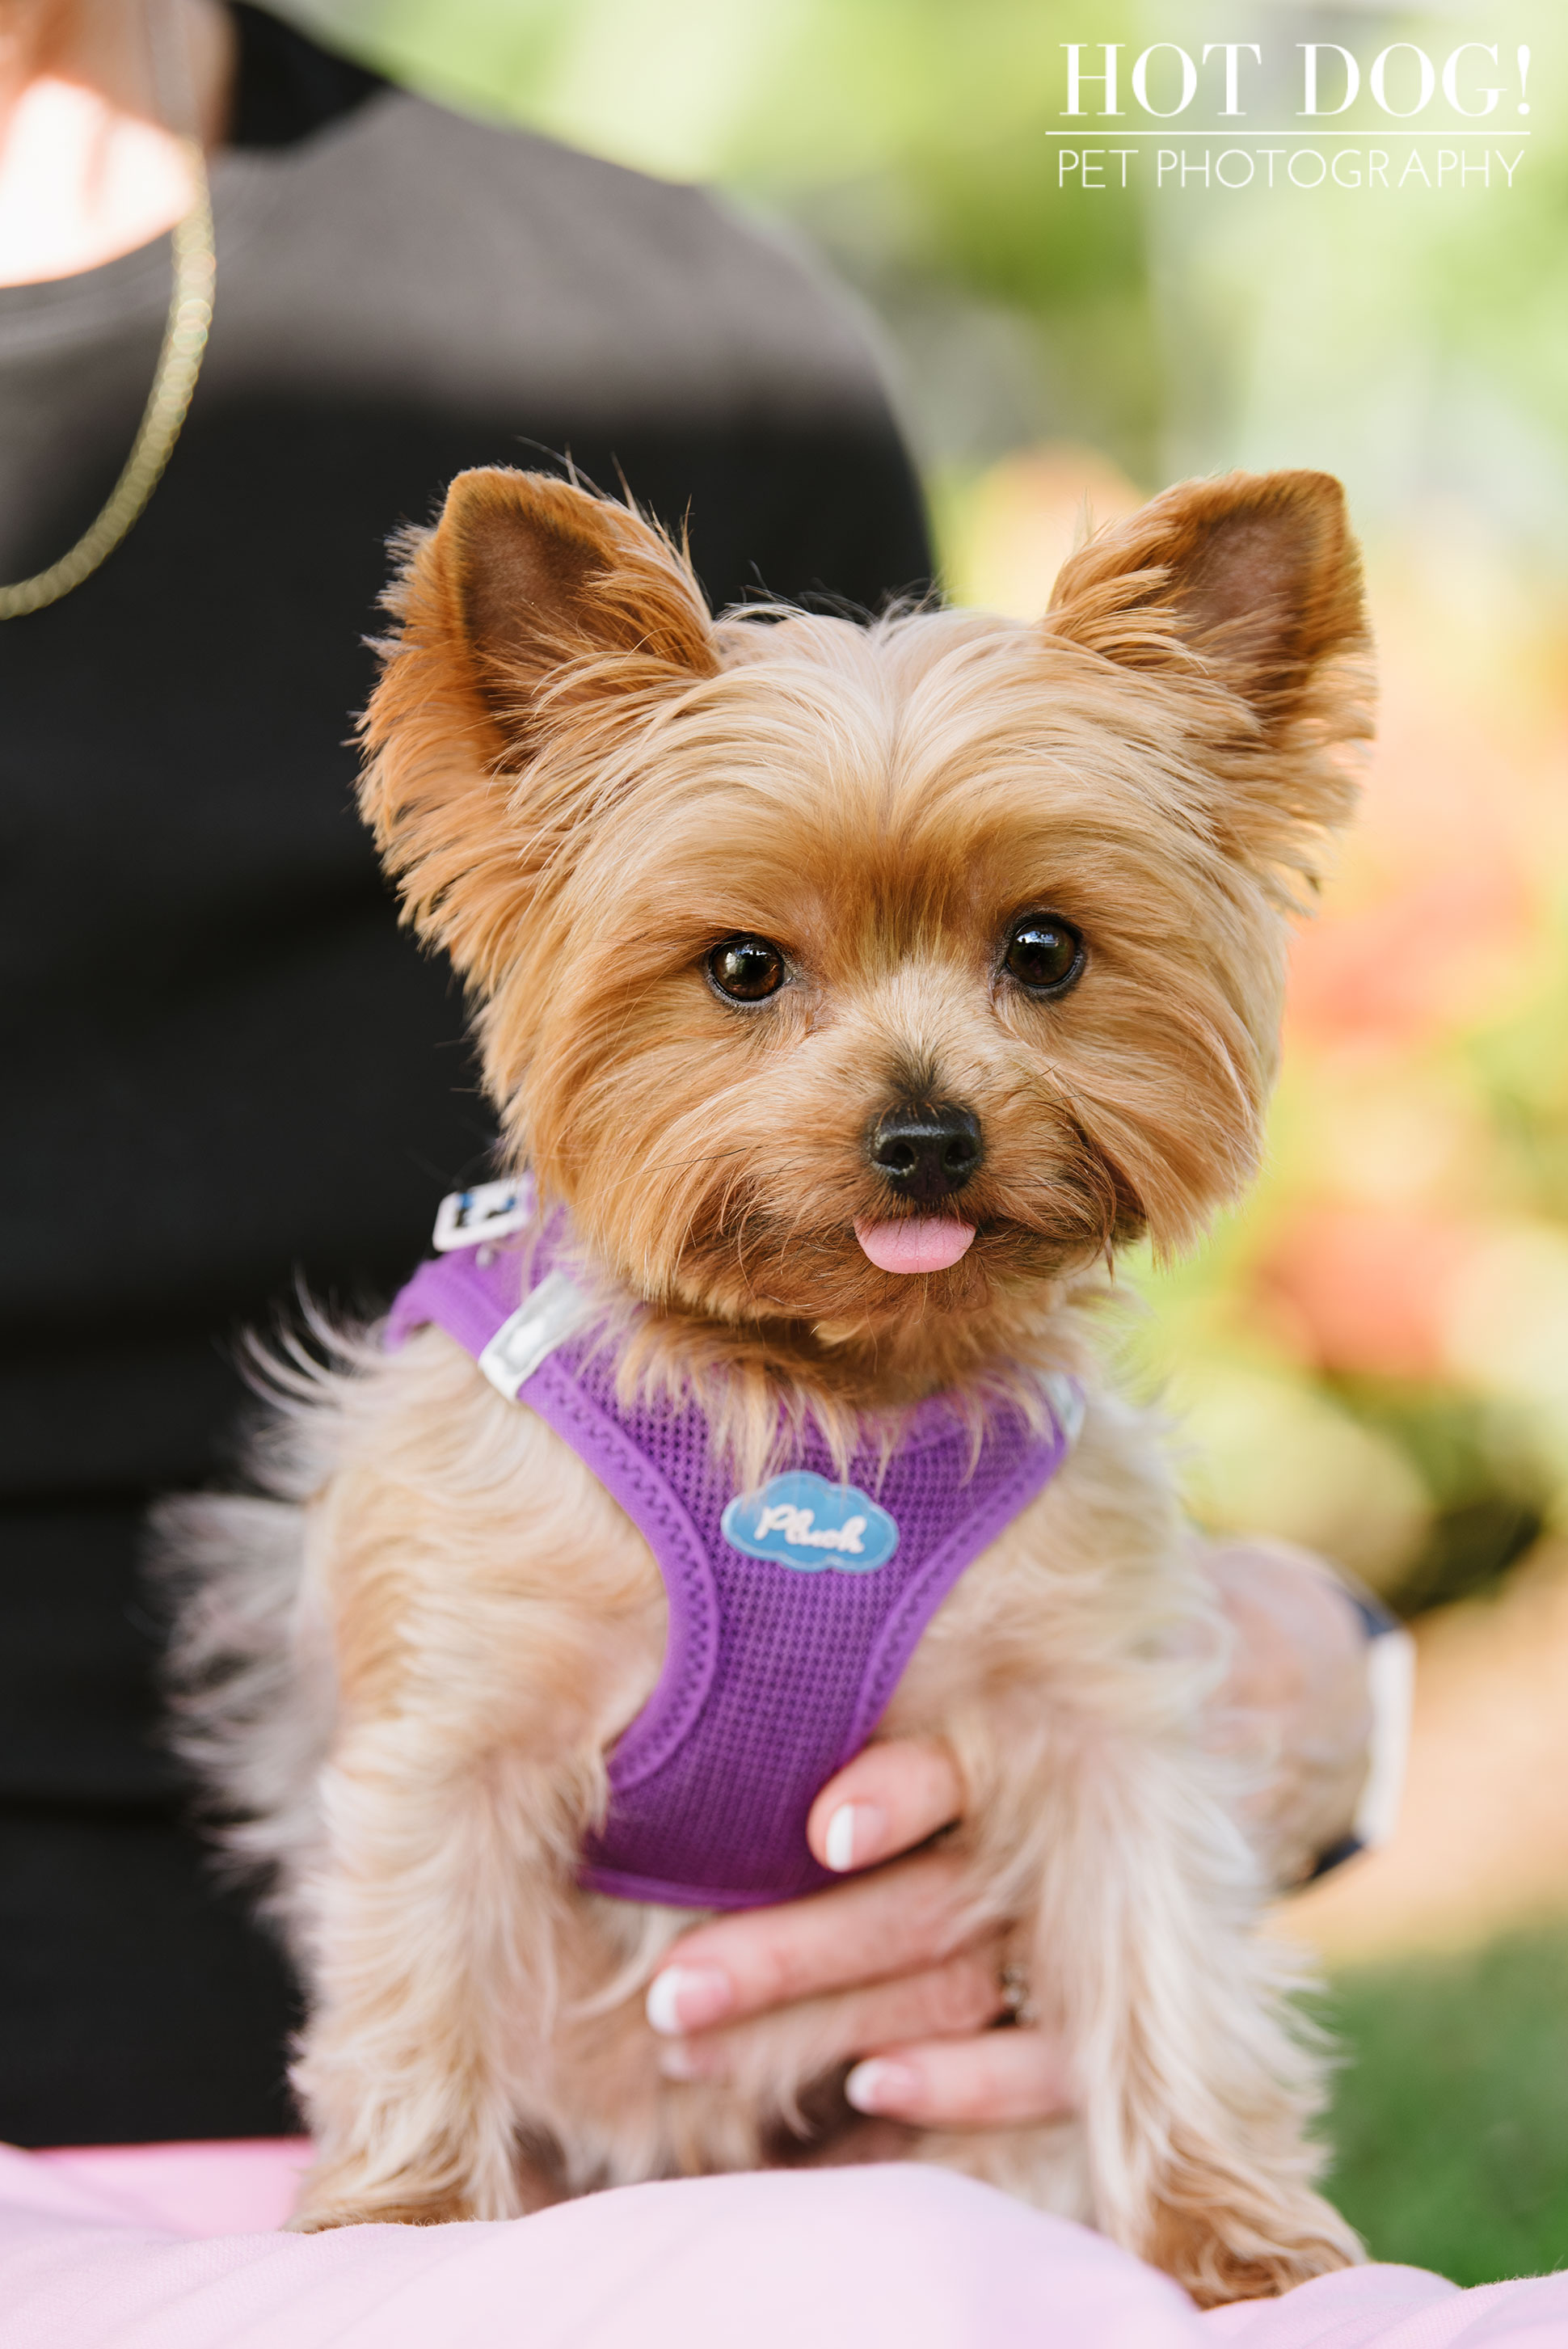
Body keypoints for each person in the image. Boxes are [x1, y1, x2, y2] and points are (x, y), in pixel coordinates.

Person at [7, 9, 1511, 2343]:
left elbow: (1141, 1774)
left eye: (1035, 955)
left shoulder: (693, 331)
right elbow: (431, 1792)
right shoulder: (505, 1452)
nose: (919, 1090)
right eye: (748, 970)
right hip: (231, 2137)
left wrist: (1312, 1693)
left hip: (886, 2153)